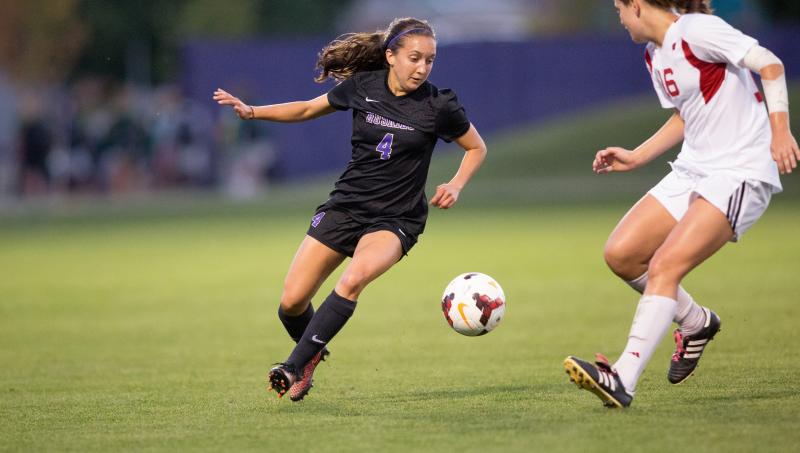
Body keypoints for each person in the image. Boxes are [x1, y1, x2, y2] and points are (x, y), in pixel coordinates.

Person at [214, 17, 487, 401]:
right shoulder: (363, 86)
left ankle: (293, 367)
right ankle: (311, 356)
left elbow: (477, 147)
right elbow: (308, 109)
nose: (422, 67)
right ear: (390, 56)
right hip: (346, 206)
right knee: (291, 304)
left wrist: (456, 184)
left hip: (396, 219)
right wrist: (252, 112)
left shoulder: (439, 105)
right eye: (414, 58)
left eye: (429, 60)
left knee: (352, 280)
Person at [564, 0, 799, 408]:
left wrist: (780, 131)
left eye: (619, 7)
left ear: (637, 5)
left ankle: (623, 378)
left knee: (664, 266)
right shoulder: (653, 53)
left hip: (739, 169)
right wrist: (637, 156)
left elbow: (771, 64)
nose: (619, 18)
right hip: (695, 168)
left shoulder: (696, 30)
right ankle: (696, 322)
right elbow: (684, 116)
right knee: (622, 254)